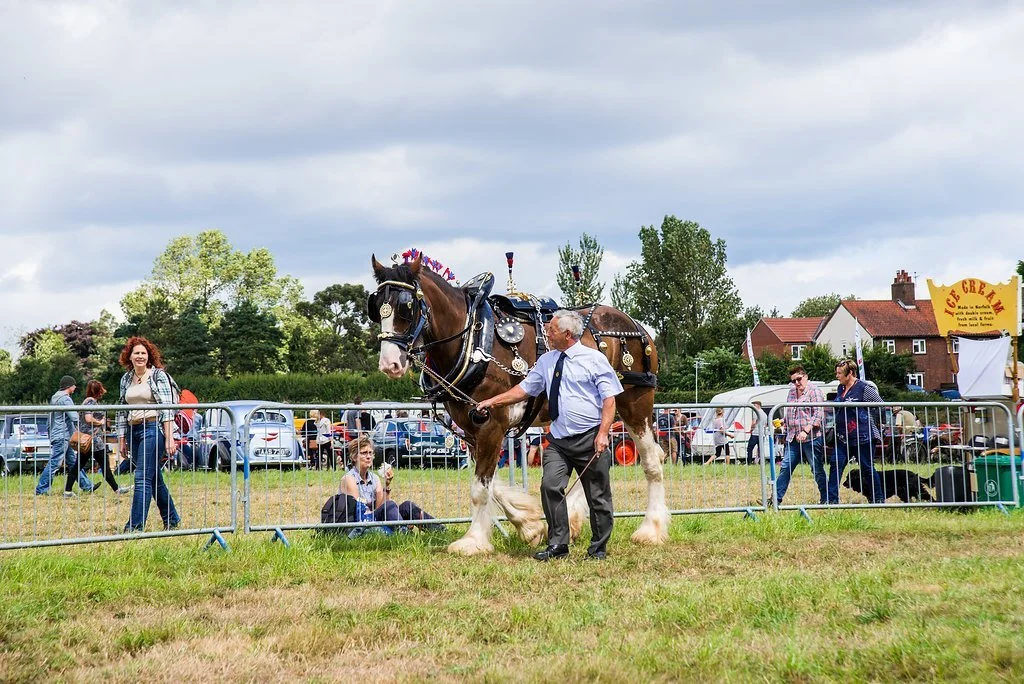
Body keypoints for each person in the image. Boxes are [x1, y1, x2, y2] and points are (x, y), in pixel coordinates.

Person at [476, 309, 623, 561]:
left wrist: (602, 434)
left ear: (567, 334)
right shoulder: (547, 361)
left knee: (598, 496)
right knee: (550, 486)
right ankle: (558, 544)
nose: (547, 333)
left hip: (590, 438)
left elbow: (609, 400)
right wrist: (493, 401)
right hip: (559, 440)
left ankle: (598, 547)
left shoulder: (594, 359)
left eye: (552, 330)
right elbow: (523, 389)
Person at [116, 337, 181, 532]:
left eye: (143, 353)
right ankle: (172, 519)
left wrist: (169, 438)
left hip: (153, 429)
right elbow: (121, 410)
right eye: (136, 353)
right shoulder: (126, 379)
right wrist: (121, 439)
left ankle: (134, 527)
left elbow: (167, 408)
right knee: (153, 479)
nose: (140, 356)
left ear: (149, 356)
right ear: (130, 356)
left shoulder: (158, 376)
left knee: (142, 477)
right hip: (133, 430)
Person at [339, 435, 439, 532]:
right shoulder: (349, 479)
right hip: (360, 522)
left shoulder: (374, 478)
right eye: (364, 453)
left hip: (373, 519)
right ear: (354, 457)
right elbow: (359, 510)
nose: (368, 456)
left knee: (407, 506)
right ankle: (404, 533)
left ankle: (440, 530)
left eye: (370, 453)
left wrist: (386, 485)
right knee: (390, 505)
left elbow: (381, 507)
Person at [826, 359, 885, 504]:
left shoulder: (864, 388)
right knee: (835, 465)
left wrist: (872, 421)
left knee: (867, 468)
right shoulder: (840, 388)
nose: (837, 376)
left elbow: (880, 404)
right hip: (842, 437)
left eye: (840, 373)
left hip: (862, 437)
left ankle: (878, 498)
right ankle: (832, 500)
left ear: (850, 373)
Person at [35, 375, 96, 496]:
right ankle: (41, 489)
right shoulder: (65, 399)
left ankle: (87, 486)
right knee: (55, 463)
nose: (75, 387)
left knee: (73, 462)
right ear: (69, 386)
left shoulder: (55, 397)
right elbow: (74, 416)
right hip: (63, 435)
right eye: (74, 385)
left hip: (60, 434)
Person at [775, 365, 827, 505]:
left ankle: (826, 498)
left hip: (811, 438)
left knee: (816, 469)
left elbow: (819, 414)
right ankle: (775, 499)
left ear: (805, 376)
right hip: (793, 437)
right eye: (793, 381)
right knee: (785, 467)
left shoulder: (814, 391)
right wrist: (783, 421)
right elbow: (791, 411)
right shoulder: (792, 392)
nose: (797, 383)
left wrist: (806, 430)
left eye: (798, 379)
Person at [81, 380, 128, 493]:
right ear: (98, 391)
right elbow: (88, 419)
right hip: (94, 439)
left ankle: (67, 490)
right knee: (104, 465)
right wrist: (101, 422)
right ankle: (116, 489)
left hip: (89, 438)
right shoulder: (91, 402)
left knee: (78, 465)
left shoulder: (88, 401)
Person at [746, 401, 763, 465]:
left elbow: (754, 422)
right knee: (760, 449)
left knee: (750, 448)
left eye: (754, 405)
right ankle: (761, 462)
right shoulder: (764, 413)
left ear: (758, 405)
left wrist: (751, 428)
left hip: (755, 433)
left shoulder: (756, 412)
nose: (753, 407)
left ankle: (749, 462)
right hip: (762, 434)